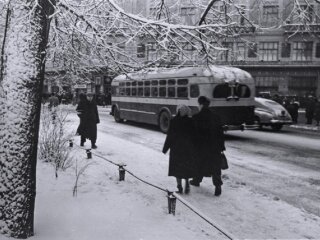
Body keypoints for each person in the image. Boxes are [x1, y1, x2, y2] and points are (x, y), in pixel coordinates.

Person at [190, 96, 226, 196]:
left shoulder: (196, 117)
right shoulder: (216, 117)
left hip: (201, 147)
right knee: (215, 167)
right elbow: (220, 133)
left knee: (199, 163)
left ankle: (196, 180)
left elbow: (193, 134)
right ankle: (217, 186)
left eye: (198, 104)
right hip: (214, 147)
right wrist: (221, 146)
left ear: (201, 104)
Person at [162, 105, 197, 194]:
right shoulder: (191, 121)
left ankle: (179, 186)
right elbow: (195, 136)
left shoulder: (174, 121)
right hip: (187, 149)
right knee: (186, 167)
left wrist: (165, 148)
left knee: (177, 168)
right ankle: (187, 184)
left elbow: (170, 136)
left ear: (178, 111)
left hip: (176, 149)